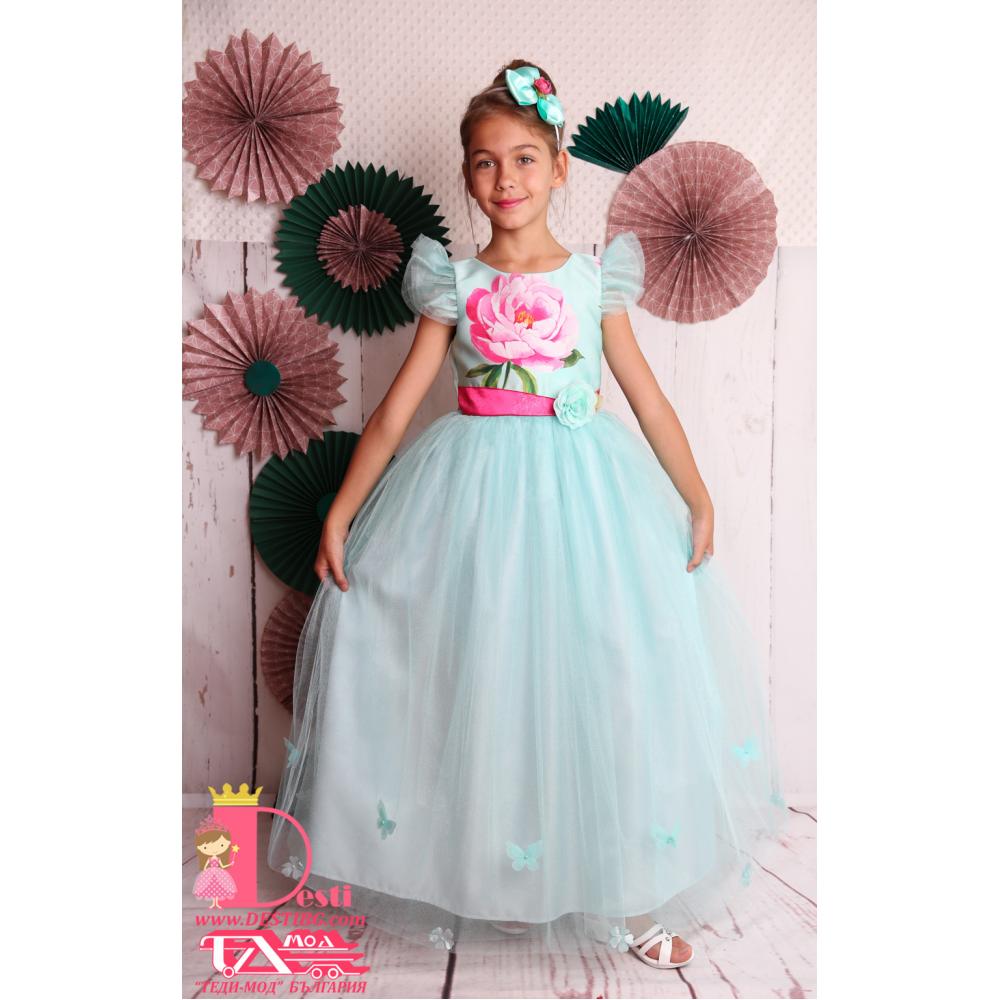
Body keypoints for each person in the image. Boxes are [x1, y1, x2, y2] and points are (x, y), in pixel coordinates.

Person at [267, 59, 787, 971]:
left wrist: (696, 493)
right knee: (489, 681)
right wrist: (342, 513)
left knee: (609, 679)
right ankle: (507, 877)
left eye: (523, 159)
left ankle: (628, 893)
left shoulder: (592, 280)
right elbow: (394, 413)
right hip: (475, 506)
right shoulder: (454, 284)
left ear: (558, 168)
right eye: (484, 162)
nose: (504, 179)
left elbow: (647, 399)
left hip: (589, 507)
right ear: (467, 176)